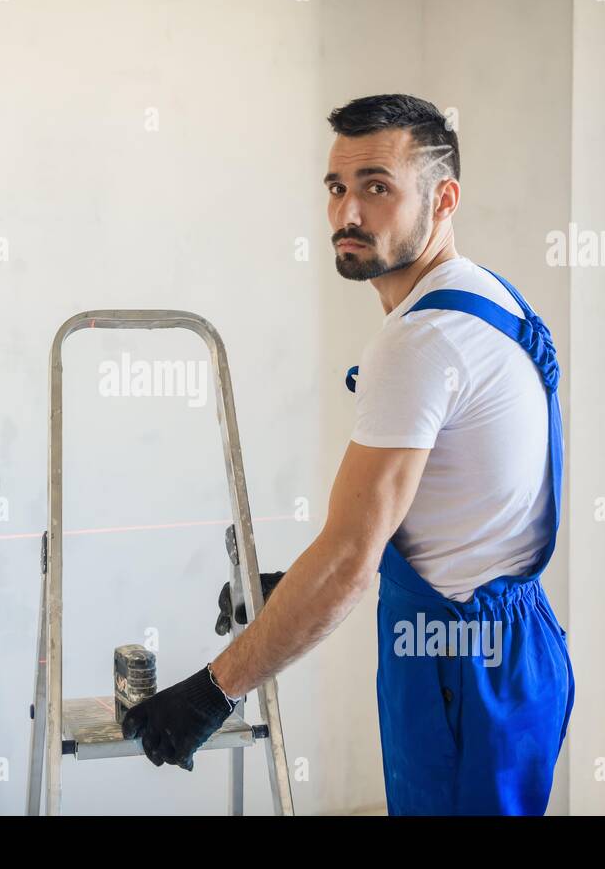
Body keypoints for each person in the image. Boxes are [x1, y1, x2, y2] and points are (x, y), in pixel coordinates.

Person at [121, 94, 574, 815]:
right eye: (337, 188)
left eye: (377, 187)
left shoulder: (417, 342)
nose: (348, 214)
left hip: (457, 668)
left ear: (444, 197)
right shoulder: (488, 296)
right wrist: (294, 586)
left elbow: (350, 562)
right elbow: (441, 513)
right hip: (515, 648)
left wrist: (212, 692)